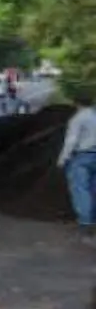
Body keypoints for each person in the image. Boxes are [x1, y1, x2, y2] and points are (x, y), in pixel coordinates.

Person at [59, 91, 96, 245]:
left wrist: (62, 159)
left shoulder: (78, 118)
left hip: (83, 156)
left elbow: (71, 141)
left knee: (81, 189)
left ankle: (86, 224)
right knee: (93, 189)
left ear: (75, 103)